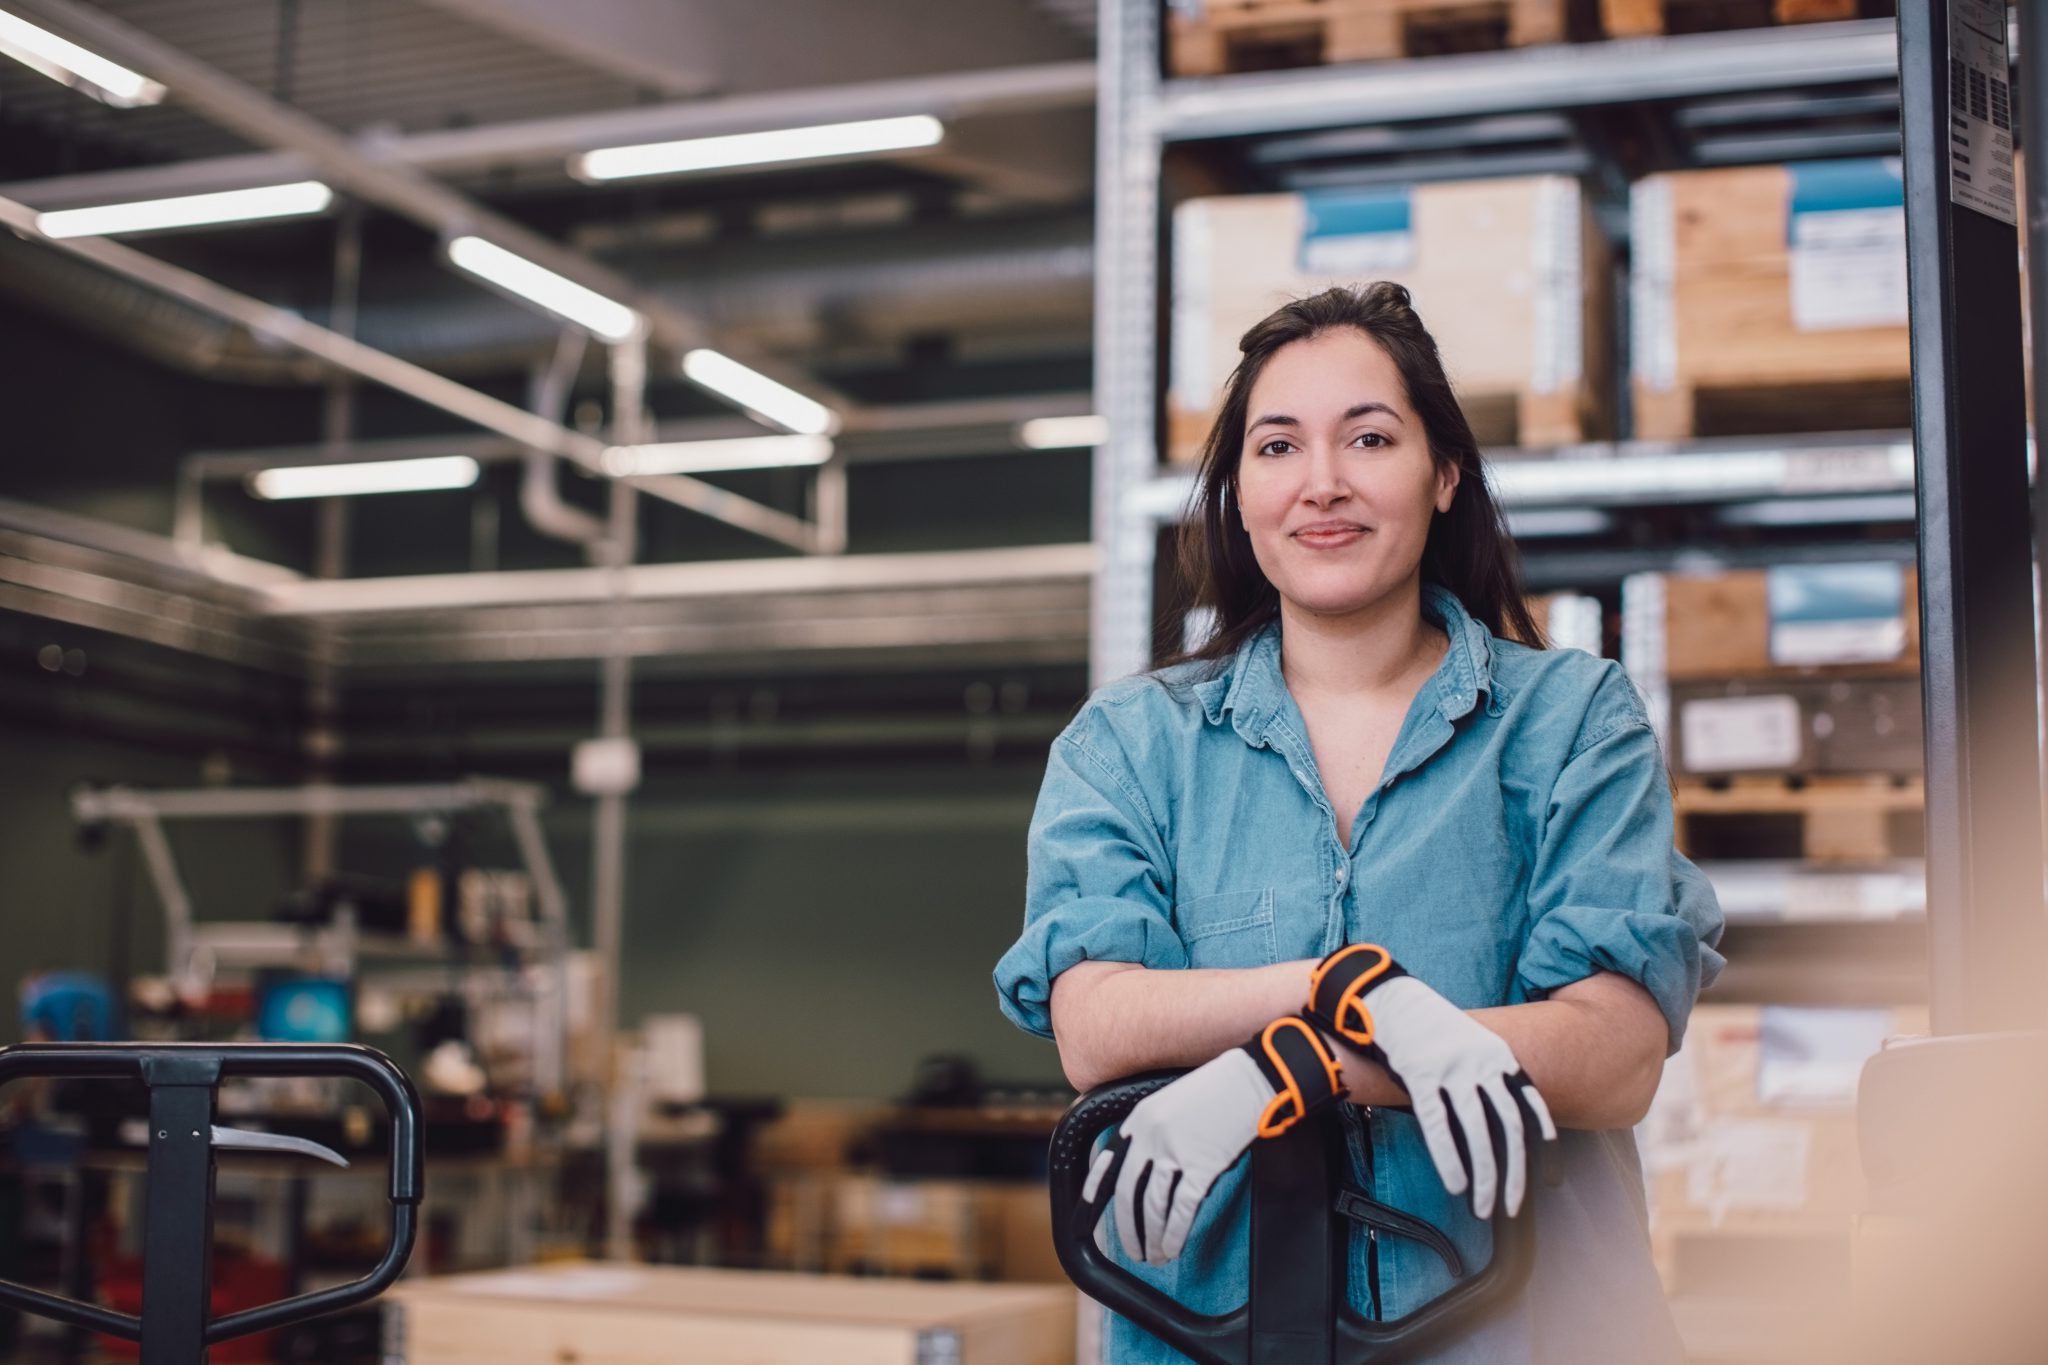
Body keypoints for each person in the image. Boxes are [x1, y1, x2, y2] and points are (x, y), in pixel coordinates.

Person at [994, 283, 1725, 1364]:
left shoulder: (1570, 721)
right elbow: (1096, 1023)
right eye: (1276, 447)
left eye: (1368, 438)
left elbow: (1611, 1056)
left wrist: (1296, 1069)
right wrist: (1342, 992)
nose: (1320, 484)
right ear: (1238, 496)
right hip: (1207, 1338)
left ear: (1442, 475)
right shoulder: (1130, 746)